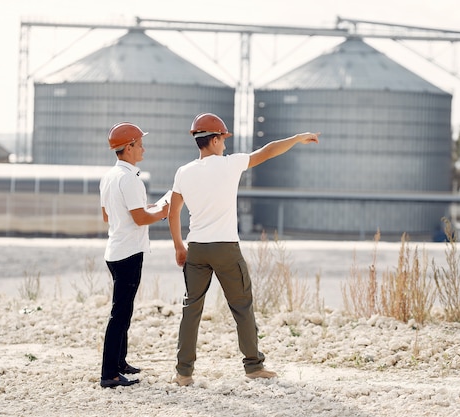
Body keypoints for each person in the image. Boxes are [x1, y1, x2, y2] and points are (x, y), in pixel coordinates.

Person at [168, 113, 320, 386]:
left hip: (197, 248)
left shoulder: (183, 172)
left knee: (191, 310)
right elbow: (268, 150)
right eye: (223, 139)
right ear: (214, 140)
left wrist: (180, 246)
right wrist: (296, 139)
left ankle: (184, 373)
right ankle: (253, 366)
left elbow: (173, 212)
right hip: (226, 248)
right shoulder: (231, 164)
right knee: (242, 306)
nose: (225, 144)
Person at [99, 122, 169, 388]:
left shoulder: (110, 177)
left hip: (115, 250)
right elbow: (140, 219)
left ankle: (119, 362)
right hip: (129, 253)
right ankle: (110, 374)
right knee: (120, 314)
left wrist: (148, 208)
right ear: (128, 147)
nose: (143, 149)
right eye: (139, 144)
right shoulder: (130, 179)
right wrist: (163, 211)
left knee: (124, 311)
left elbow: (109, 214)